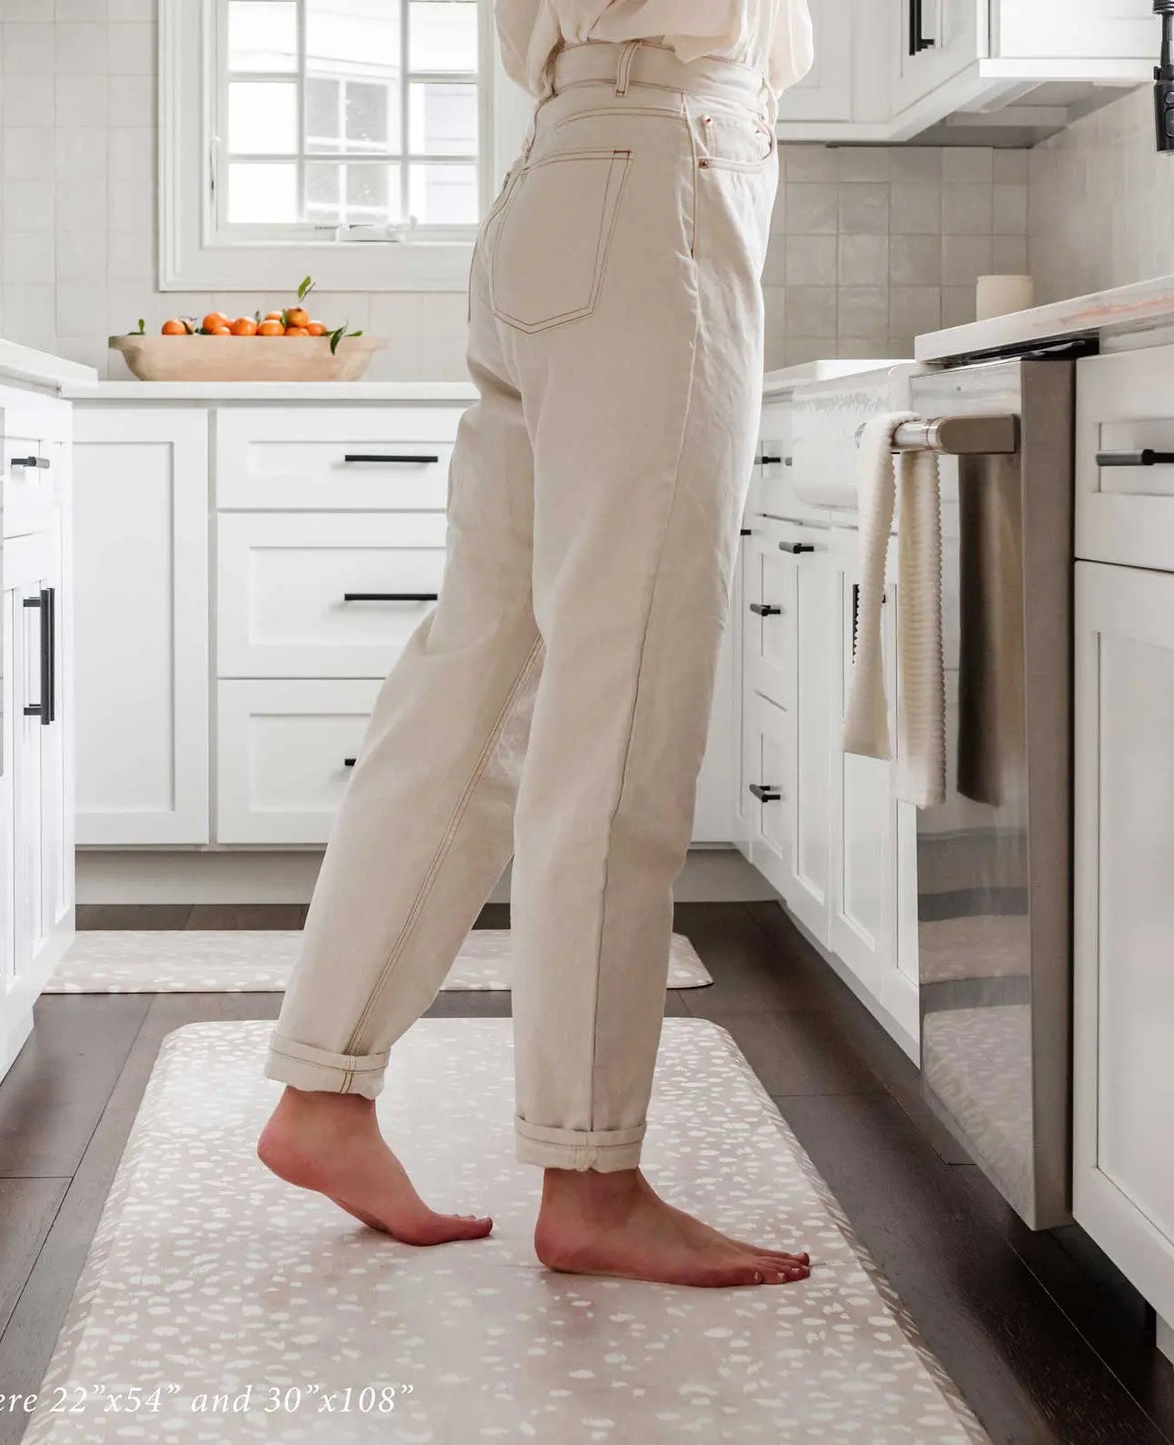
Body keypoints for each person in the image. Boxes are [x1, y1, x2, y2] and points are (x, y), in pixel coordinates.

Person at [258, 0, 816, 1289]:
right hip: (662, 170)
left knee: (478, 679)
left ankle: (324, 1091)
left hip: (569, 172)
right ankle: (592, 1178)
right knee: (622, 702)